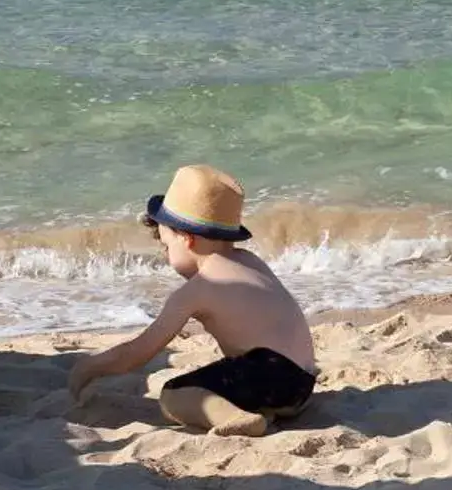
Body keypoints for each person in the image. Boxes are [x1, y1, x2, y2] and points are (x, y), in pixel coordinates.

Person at [66, 164, 318, 435]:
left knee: (174, 394)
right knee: (231, 376)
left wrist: (90, 367)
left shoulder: (199, 288)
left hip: (268, 375)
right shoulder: (251, 262)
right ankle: (264, 410)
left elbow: (138, 352)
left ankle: (237, 418)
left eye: (166, 246)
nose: (165, 254)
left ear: (186, 239)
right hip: (302, 385)